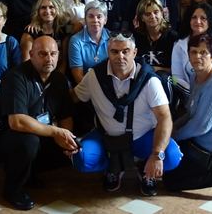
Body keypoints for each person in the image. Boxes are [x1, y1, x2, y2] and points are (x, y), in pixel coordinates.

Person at [71, 34, 175, 197]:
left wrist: (156, 155)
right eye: (115, 51)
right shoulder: (94, 76)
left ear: (134, 52)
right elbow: (73, 97)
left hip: (142, 137)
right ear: (108, 52)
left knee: (172, 157)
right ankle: (113, 166)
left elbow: (165, 117)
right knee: (82, 159)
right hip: (107, 137)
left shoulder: (149, 79)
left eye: (125, 51)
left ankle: (145, 170)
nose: (120, 56)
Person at [0, 36, 77, 211]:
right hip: (3, 137)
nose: (49, 59)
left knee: (74, 148)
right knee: (29, 142)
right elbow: (17, 122)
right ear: (31, 55)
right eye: (42, 54)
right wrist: (55, 132)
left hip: (37, 133)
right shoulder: (16, 77)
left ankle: (27, 174)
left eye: (53, 54)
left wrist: (67, 140)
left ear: (58, 55)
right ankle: (13, 190)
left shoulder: (59, 80)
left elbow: (65, 117)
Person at [163, 34, 212, 203]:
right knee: (168, 165)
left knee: (170, 181)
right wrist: (172, 128)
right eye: (193, 52)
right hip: (198, 142)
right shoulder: (195, 77)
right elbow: (191, 113)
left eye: (203, 53)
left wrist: (174, 135)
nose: (197, 56)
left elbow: (200, 126)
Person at [20, 0, 71, 73]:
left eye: (51, 7)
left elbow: (63, 62)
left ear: (57, 9)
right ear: (38, 10)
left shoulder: (62, 30)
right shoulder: (31, 32)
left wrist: (57, 78)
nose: (47, 11)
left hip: (57, 74)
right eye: (43, 7)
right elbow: (26, 63)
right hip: (35, 75)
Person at [69, 1, 111, 84]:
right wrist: (96, 90)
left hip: (109, 86)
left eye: (99, 17)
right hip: (86, 86)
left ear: (105, 20)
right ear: (85, 19)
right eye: (91, 16)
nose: (95, 20)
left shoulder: (113, 39)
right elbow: (78, 76)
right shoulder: (76, 41)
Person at [134, 0, 179, 74]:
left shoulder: (173, 37)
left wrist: (157, 69)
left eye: (156, 12)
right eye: (147, 14)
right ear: (142, 18)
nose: (152, 16)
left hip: (169, 77)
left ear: (161, 14)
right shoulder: (135, 37)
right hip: (142, 75)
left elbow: (178, 70)